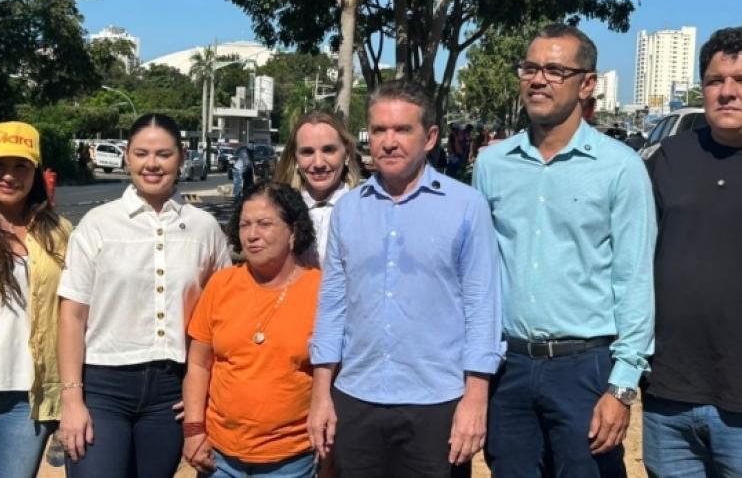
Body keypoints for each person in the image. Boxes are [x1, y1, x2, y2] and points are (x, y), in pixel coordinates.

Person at [473, 23, 656, 477]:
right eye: (530, 68)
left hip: (585, 369)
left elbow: (634, 279)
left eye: (555, 71)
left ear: (587, 84)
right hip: (508, 369)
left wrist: (622, 387)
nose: (538, 80)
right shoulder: (492, 165)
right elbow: (478, 272)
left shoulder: (620, 168)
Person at [308, 79, 503, 477]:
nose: (389, 141)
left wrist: (475, 399)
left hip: (437, 403)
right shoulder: (349, 210)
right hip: (357, 398)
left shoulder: (466, 207)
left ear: (429, 137)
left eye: (402, 129)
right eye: (379, 130)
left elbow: (482, 309)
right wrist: (321, 394)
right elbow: (332, 307)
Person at [57, 113, 232, 478]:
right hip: (103, 386)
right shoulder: (97, 224)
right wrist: (71, 400)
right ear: (127, 157)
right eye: (141, 153)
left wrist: (205, 393)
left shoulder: (204, 228)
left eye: (164, 154)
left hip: (172, 391)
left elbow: (224, 317)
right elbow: (72, 316)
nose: (152, 164)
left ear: (181, 157)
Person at [642, 27, 742, 477]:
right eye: (715, 80)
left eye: (740, 80)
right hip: (670, 395)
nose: (727, 92)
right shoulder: (668, 158)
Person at [182, 181, 320, 477]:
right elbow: (198, 364)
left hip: (290, 459)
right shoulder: (222, 284)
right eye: (245, 224)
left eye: (264, 224)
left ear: (294, 232)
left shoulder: (320, 291)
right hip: (218, 457)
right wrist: (193, 430)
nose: (252, 235)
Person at [0, 121, 72, 478]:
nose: (9, 176)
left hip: (29, 396)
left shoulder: (59, 232)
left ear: (35, 172)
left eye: (20, 166)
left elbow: (74, 309)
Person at [274, 111, 361, 265]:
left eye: (328, 150)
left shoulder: (365, 209)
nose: (318, 163)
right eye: (307, 152)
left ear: (347, 153)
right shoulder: (277, 209)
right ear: (295, 158)